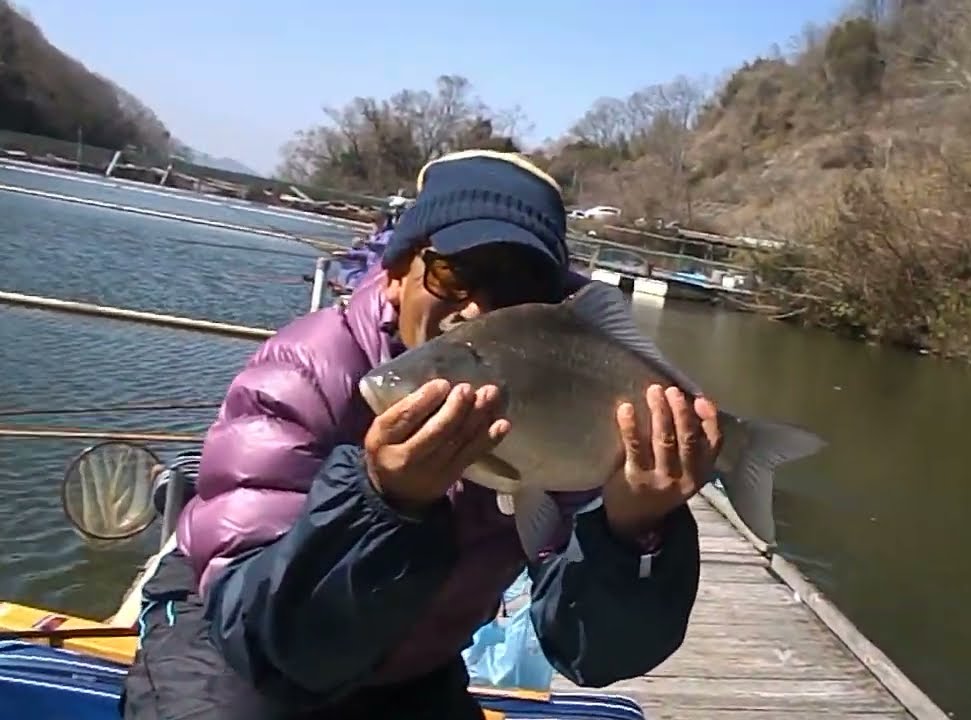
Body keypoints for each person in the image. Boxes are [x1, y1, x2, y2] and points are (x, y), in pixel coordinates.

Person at [120, 149, 718, 720]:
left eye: (514, 289)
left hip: (409, 660)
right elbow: (267, 642)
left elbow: (597, 653)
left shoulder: (549, 390)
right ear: (396, 272)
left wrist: (632, 531)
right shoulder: (303, 373)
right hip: (228, 645)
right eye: (453, 273)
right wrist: (383, 501)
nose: (477, 311)